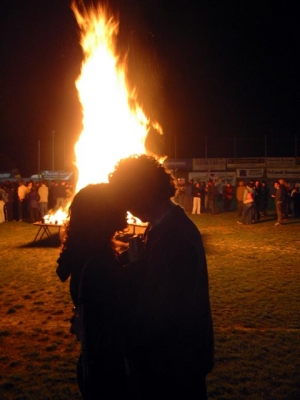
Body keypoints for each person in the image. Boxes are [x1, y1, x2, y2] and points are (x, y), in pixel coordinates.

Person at [109, 154, 214, 400]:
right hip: (168, 358)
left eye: (128, 198)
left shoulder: (176, 236)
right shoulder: (161, 227)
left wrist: (134, 266)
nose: (127, 208)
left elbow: (158, 308)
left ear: (142, 192)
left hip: (175, 363)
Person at [56, 184, 129, 399]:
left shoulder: (90, 254)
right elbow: (120, 313)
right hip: (108, 370)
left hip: (98, 365)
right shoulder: (97, 264)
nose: (125, 207)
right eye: (118, 201)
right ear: (101, 213)